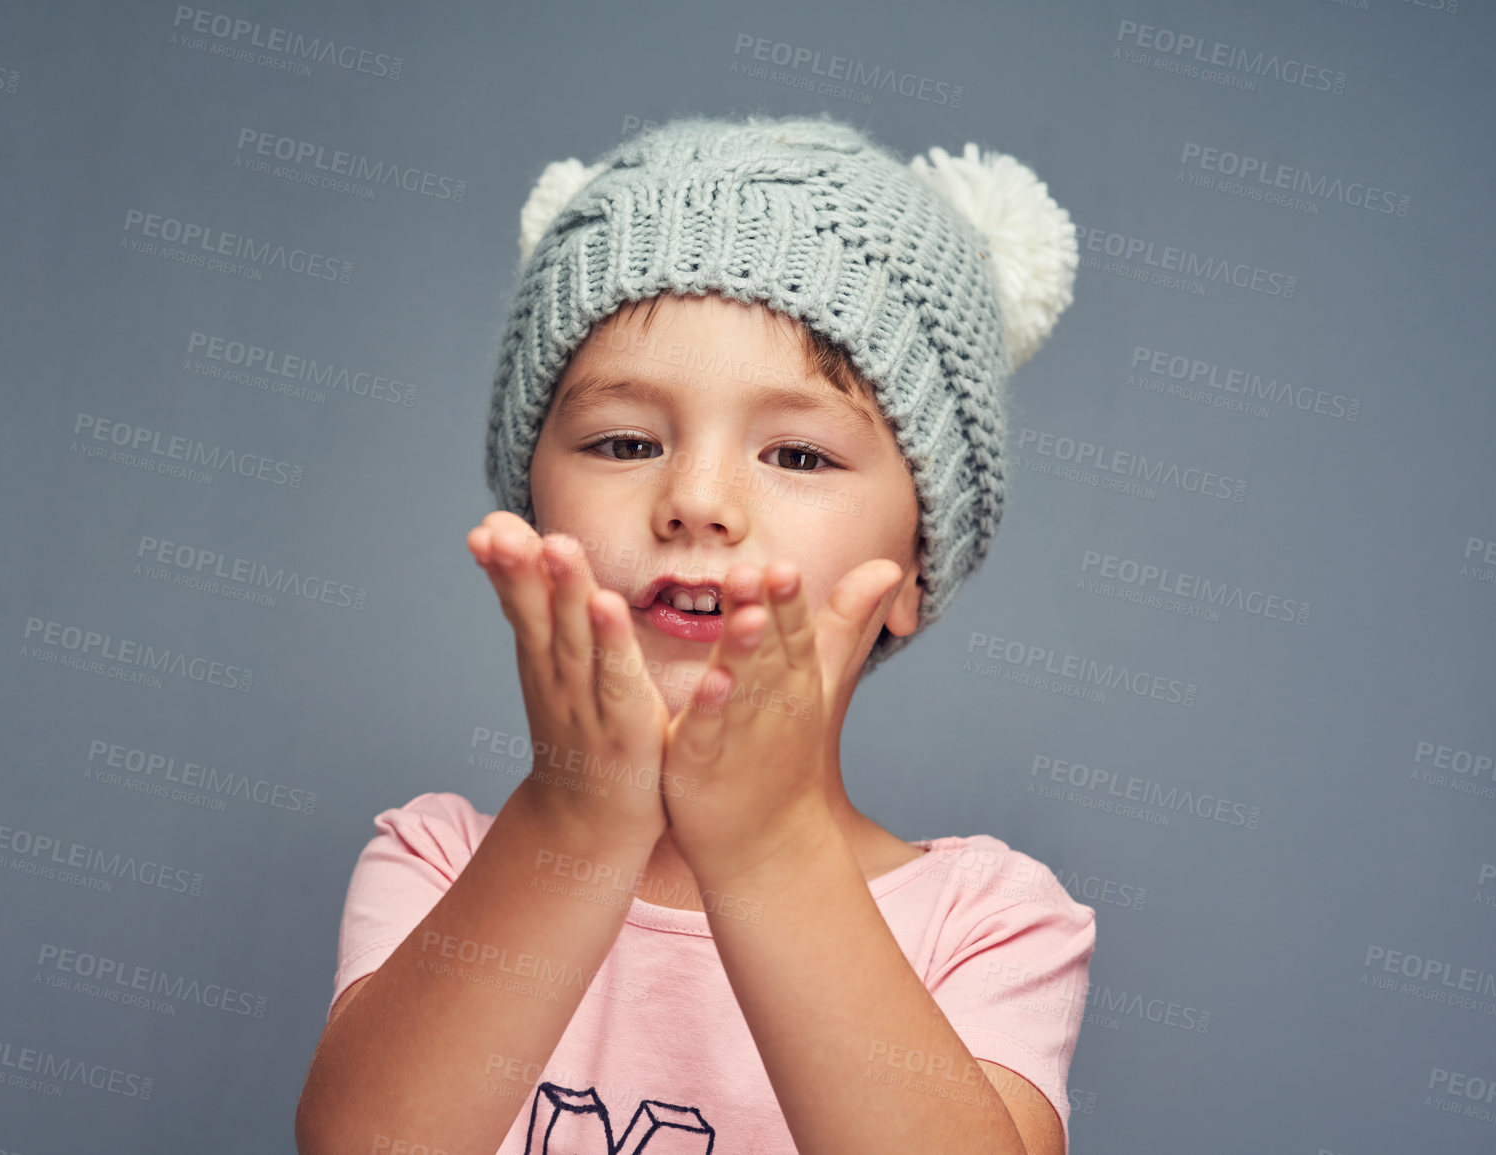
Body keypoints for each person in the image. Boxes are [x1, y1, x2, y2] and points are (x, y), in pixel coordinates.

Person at [296, 112, 1096, 1155]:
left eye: (799, 457)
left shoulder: (984, 923)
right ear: (537, 512)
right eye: (626, 441)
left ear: (912, 572)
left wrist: (767, 852)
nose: (698, 501)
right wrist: (577, 824)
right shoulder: (440, 863)